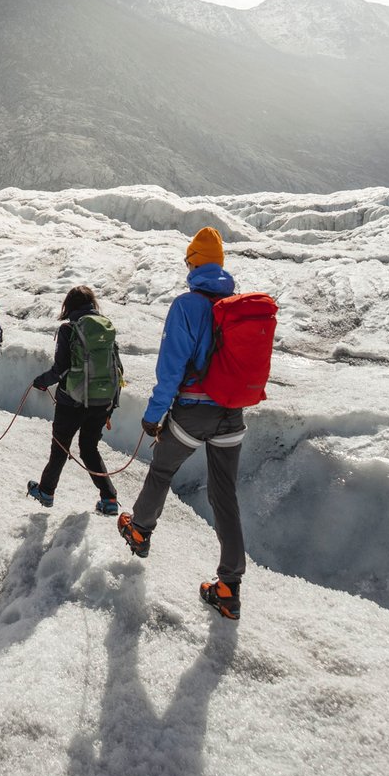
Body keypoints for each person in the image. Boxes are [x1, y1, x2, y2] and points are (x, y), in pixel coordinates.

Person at [117, 227, 249, 621]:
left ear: (192, 263)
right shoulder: (238, 304)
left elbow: (171, 369)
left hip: (193, 411)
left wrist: (153, 415)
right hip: (233, 414)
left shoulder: (187, 306)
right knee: (224, 496)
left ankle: (139, 530)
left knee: (162, 470)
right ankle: (228, 588)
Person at [27, 285, 123, 516]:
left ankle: (47, 492)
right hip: (102, 399)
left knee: (60, 446)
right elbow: (117, 367)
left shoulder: (69, 330)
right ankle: (109, 498)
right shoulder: (106, 328)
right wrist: (112, 403)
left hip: (72, 400)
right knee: (89, 448)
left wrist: (41, 381)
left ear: (69, 305)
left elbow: (61, 368)